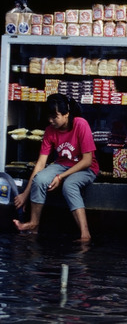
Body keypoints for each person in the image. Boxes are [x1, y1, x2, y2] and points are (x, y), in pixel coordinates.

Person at [13, 93, 99, 242]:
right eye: (49, 116)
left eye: (55, 116)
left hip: (86, 168)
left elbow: (87, 160)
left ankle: (85, 234)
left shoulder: (80, 124)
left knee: (69, 185)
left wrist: (60, 177)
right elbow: (40, 164)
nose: (51, 120)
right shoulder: (49, 131)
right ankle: (34, 226)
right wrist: (25, 194)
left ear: (66, 114)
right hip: (61, 165)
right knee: (40, 179)